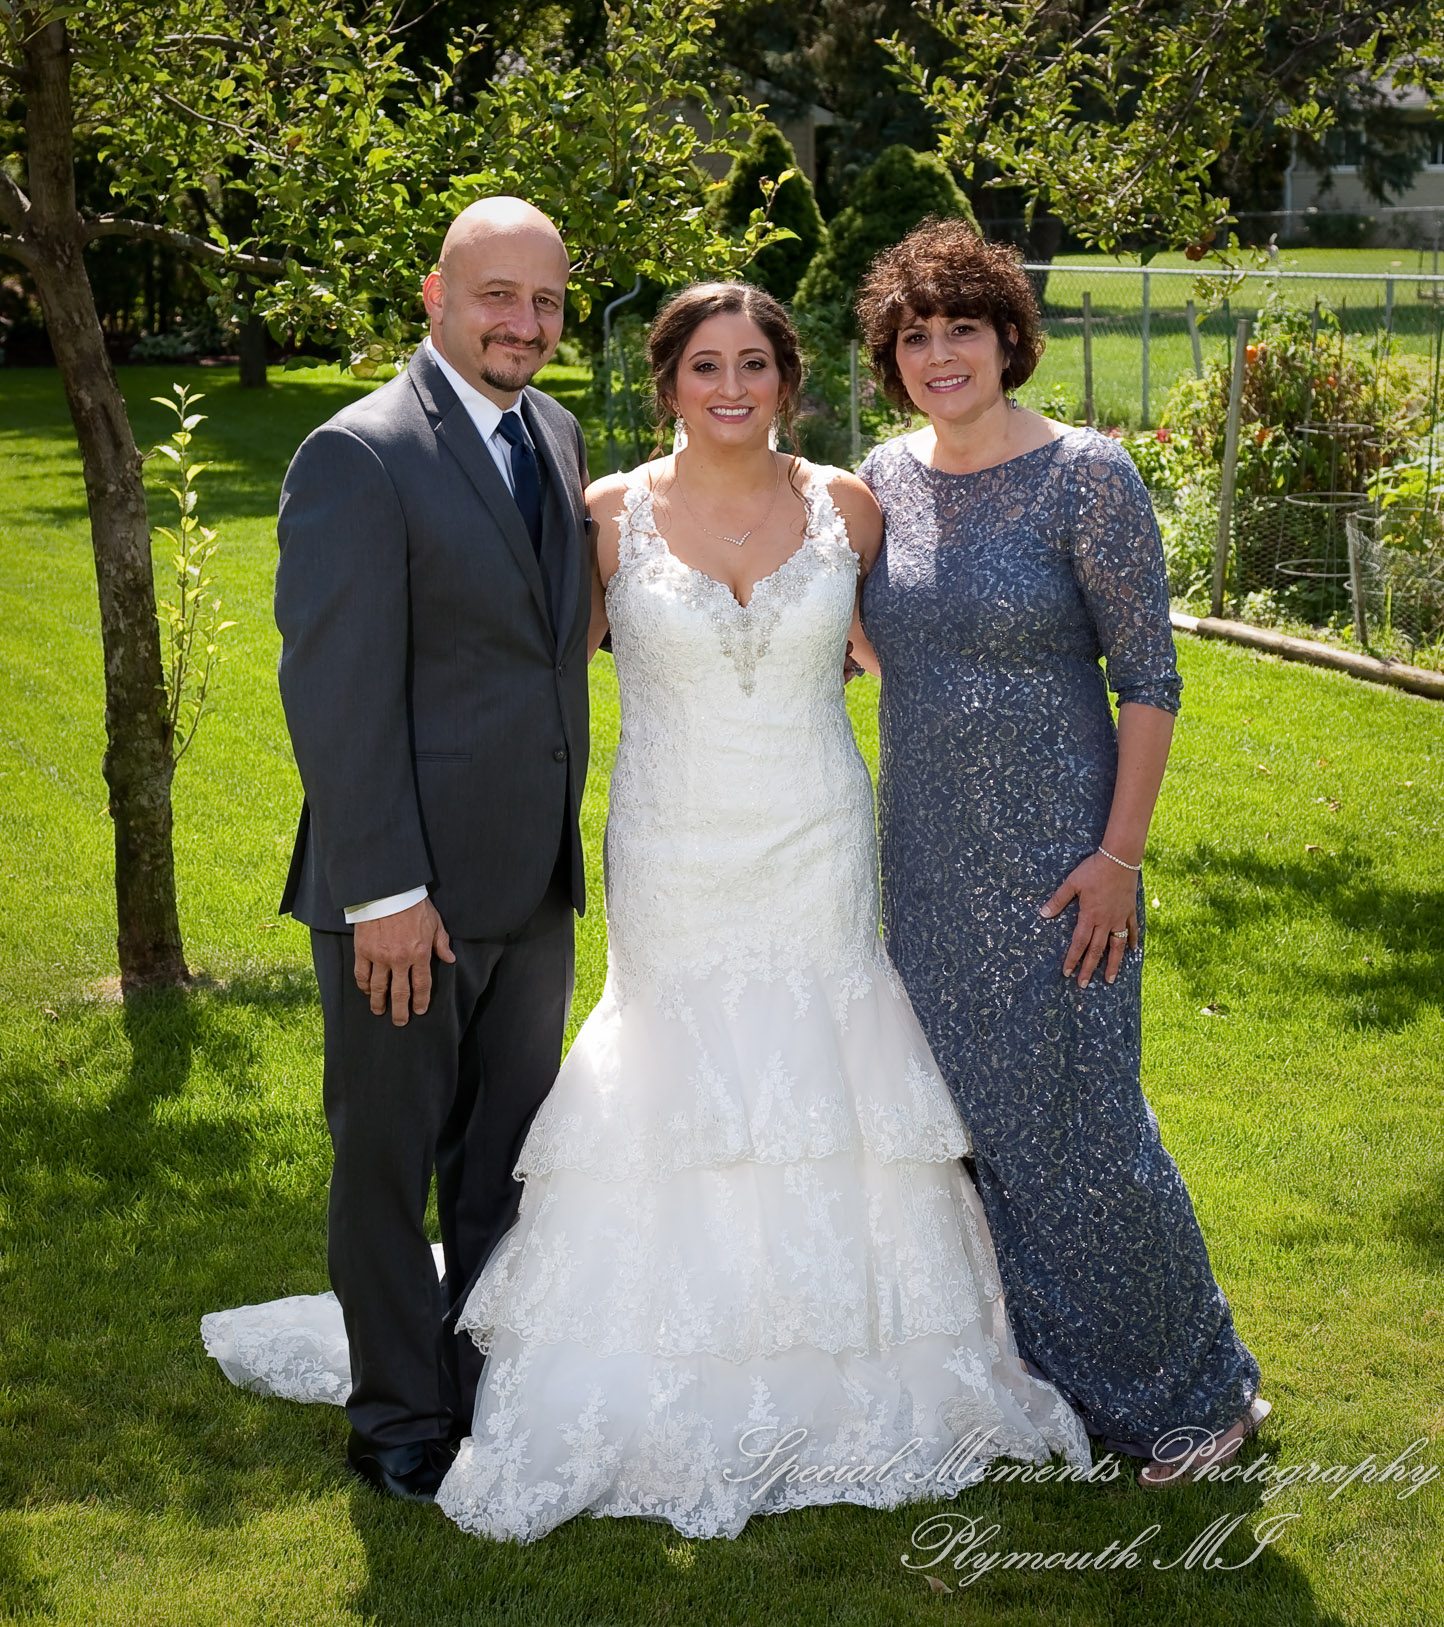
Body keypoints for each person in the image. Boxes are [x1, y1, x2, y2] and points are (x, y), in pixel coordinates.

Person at [205, 279, 1089, 1541]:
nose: (731, 389)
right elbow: (507, 668)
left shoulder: (852, 507)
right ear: (667, 382)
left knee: (825, 1068)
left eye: (756, 365)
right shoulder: (608, 514)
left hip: (816, 836)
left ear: (790, 377)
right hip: (674, 846)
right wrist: (408, 846)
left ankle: (862, 1363)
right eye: (704, 367)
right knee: (672, 1073)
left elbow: (919, 664)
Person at [853, 219, 1268, 1489]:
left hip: (1063, 864)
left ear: (1008, 338)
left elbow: (1150, 677)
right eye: (914, 336)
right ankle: (1050, 1378)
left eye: (961, 329)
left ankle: (1201, 1392)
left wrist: (1119, 857)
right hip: (924, 866)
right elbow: (861, 630)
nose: (939, 355)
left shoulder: (1088, 476)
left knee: (1086, 1131)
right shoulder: (881, 478)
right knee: (973, 1135)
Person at [235, 197, 594, 1502]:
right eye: (499, 294)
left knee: (505, 1164)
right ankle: (396, 1418)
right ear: (435, 293)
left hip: (536, 885)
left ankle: (485, 1387)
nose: (525, 322)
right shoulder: (359, 453)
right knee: (386, 1169)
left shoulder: (552, 434)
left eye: (546, 301)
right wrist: (384, 889)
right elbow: (335, 694)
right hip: (407, 896)